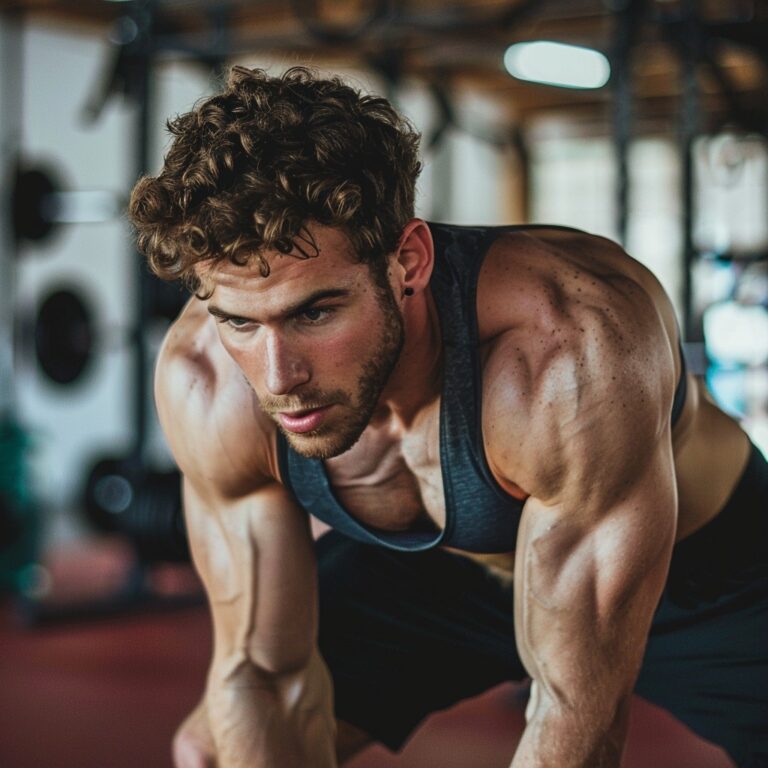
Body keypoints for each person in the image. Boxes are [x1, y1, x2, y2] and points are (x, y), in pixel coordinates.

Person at [128, 65, 767, 768]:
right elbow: (262, 677)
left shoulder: (566, 348)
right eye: (239, 323)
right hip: (441, 569)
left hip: (701, 572)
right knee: (217, 750)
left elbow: (576, 713)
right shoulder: (207, 379)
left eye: (316, 312)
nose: (279, 379)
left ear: (410, 260)